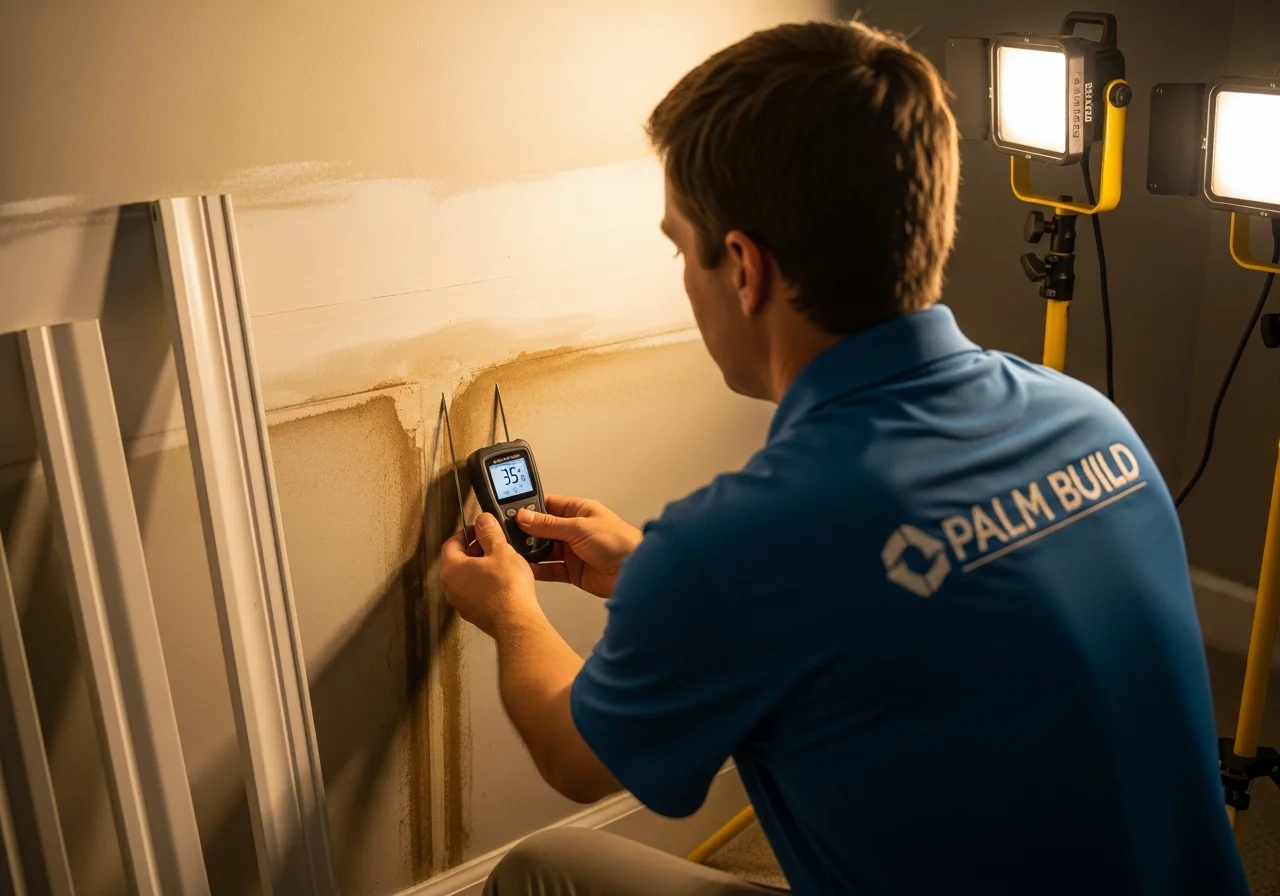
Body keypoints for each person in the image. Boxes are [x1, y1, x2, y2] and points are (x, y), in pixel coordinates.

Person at [439, 19, 1248, 896]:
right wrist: (654, 577)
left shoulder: (741, 543)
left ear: (744, 268)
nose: (684, 273)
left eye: (680, 246)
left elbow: (574, 756)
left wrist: (510, 609)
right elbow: (907, 620)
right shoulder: (1091, 423)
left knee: (539, 870)